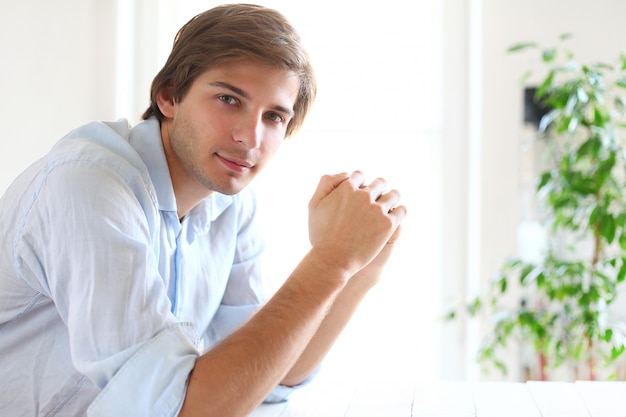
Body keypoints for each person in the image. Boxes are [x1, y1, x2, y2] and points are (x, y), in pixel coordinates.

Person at [0, 4, 407, 416]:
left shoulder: (230, 205)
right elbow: (181, 409)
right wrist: (331, 260)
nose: (249, 137)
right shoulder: (89, 185)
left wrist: (359, 271)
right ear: (169, 96)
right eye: (229, 99)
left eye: (273, 117)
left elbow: (267, 377)